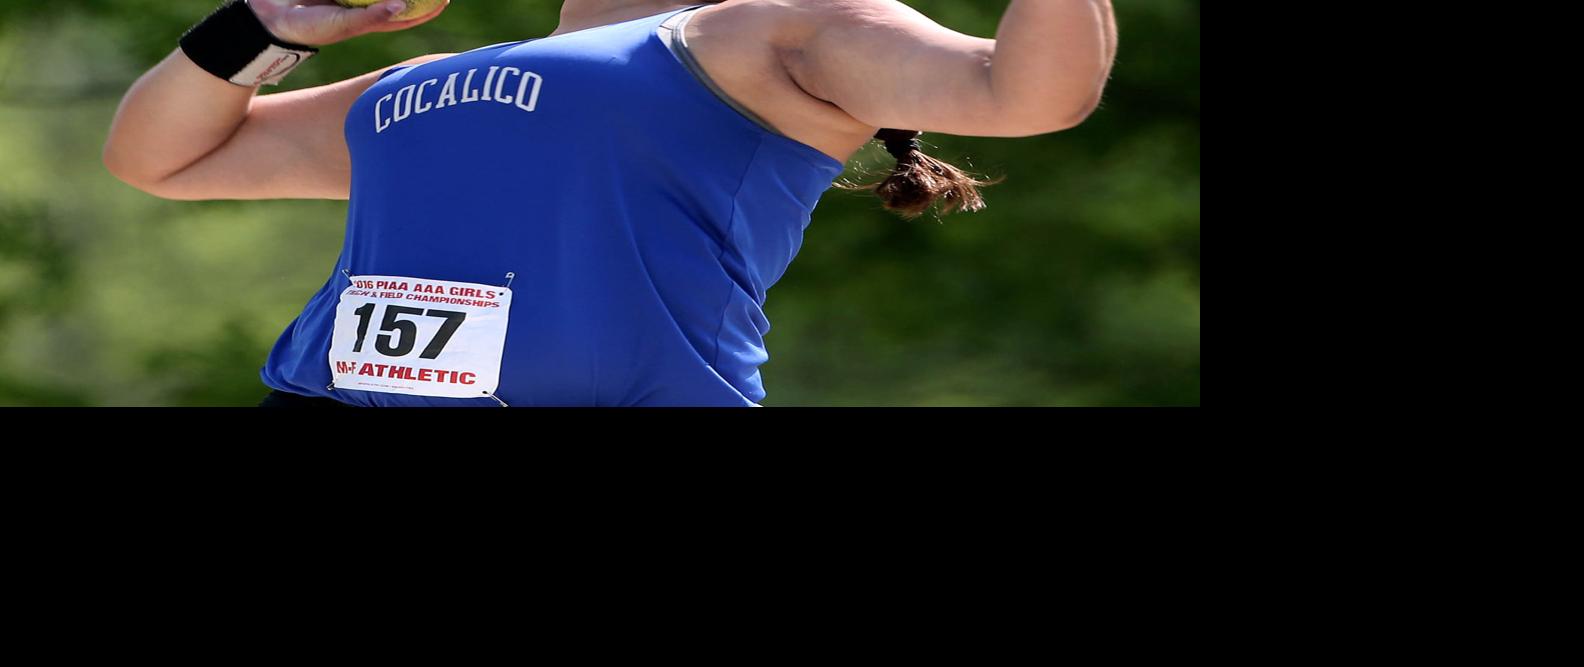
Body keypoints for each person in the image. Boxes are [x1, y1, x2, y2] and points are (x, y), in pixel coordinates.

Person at [103, 0, 1117, 407]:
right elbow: (165, 158)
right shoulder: (422, 80)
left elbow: (1027, 94)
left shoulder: (774, 30)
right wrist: (268, 25)